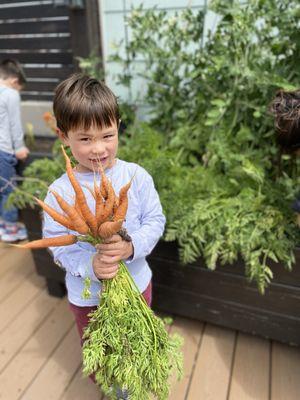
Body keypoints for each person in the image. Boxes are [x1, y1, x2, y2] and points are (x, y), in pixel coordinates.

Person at [42, 74, 166, 397]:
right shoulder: (59, 192)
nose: (98, 148)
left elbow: (155, 220)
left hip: (137, 285)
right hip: (87, 299)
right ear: (63, 136)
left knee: (138, 344)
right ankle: (113, 389)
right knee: (101, 355)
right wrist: (91, 265)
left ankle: (135, 383)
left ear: (118, 127)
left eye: (107, 135)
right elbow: (59, 249)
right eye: (85, 139)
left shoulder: (136, 177)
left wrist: (131, 245)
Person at [0, 59, 29, 242]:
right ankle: (10, 228)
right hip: (3, 150)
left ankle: (3, 224)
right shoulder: (11, 94)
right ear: (14, 81)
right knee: (9, 189)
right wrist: (19, 147)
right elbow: (14, 125)